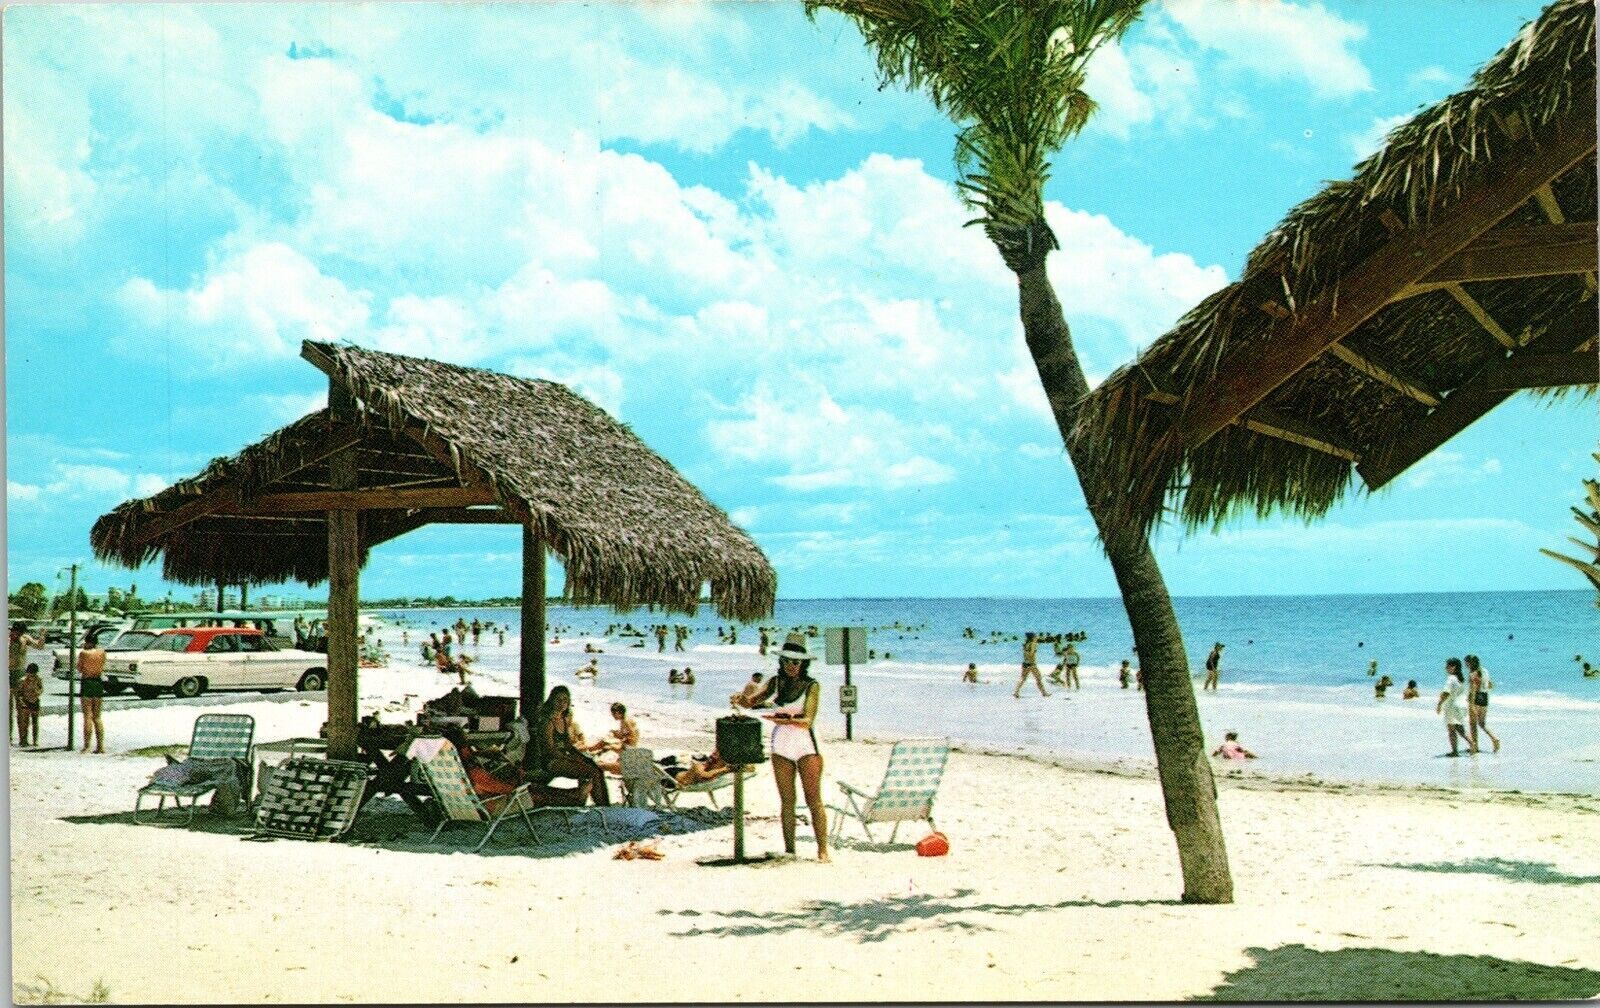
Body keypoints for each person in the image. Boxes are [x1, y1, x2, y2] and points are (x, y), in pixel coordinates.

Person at [749, 634, 830, 862]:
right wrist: (741, 698)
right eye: (787, 661)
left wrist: (785, 719)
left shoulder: (811, 685)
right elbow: (753, 700)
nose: (791, 666)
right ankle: (790, 849)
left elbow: (808, 721)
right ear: (781, 661)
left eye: (796, 662)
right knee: (787, 801)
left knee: (813, 799)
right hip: (782, 743)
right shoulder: (775, 682)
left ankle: (822, 850)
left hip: (807, 744)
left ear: (804, 663)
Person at [539, 685, 610, 806]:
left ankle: (601, 804)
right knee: (591, 772)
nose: (562, 703)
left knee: (596, 768)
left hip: (563, 757)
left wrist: (581, 757)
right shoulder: (548, 722)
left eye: (565, 700)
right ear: (552, 701)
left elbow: (568, 745)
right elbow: (549, 750)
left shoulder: (565, 719)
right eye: (559, 700)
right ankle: (602, 806)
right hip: (551, 761)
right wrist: (571, 758)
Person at [1437, 658, 1476, 757]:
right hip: (1461, 705)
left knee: (1452, 729)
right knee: (1459, 727)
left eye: (1447, 666)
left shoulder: (1451, 678)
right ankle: (1470, 745)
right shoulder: (1461, 679)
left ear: (1453, 667)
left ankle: (1459, 749)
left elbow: (1446, 693)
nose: (1445, 668)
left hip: (1452, 706)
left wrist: (1439, 704)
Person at [78, 631, 107, 754]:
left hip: (87, 682)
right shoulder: (102, 652)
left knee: (87, 716)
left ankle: (86, 746)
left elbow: (79, 668)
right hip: (98, 682)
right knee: (97, 717)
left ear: (88, 642)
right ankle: (100, 746)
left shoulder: (84, 653)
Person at [1466, 655, 1501, 754]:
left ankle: (1475, 747)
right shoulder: (1485, 671)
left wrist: (1472, 703)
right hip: (1485, 697)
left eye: (1466, 663)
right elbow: (1490, 685)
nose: (1465, 665)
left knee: (1473, 724)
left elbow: (1473, 689)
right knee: (1482, 723)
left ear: (1470, 663)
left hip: (1475, 697)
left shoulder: (1473, 673)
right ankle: (1494, 738)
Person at [1013, 632, 1048, 699]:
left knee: (1023, 678)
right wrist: (1032, 663)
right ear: (1033, 638)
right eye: (1035, 636)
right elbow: (1031, 654)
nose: (1037, 637)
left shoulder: (1026, 644)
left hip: (1025, 663)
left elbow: (1026, 654)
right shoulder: (1033, 644)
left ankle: (1016, 692)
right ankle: (1044, 693)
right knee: (1039, 678)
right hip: (1031, 664)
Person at [16, 663, 44, 747]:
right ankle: (24, 740)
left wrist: (37, 692)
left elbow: (41, 689)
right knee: (25, 722)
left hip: (35, 701)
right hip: (25, 702)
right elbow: (19, 693)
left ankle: (35, 740)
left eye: (33, 674)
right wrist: (22, 701)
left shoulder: (38, 679)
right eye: (30, 674)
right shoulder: (23, 680)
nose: (32, 676)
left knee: (35, 722)